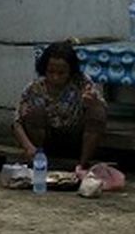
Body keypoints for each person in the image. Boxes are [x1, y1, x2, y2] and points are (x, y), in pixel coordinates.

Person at [12, 41, 107, 177]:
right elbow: (16, 121)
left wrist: (93, 102)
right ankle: (40, 160)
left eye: (61, 73)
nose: (55, 77)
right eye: (51, 72)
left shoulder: (82, 83)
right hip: (46, 141)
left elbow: (101, 111)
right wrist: (28, 147)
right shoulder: (34, 88)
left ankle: (82, 165)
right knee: (34, 111)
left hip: (75, 139)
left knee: (97, 112)